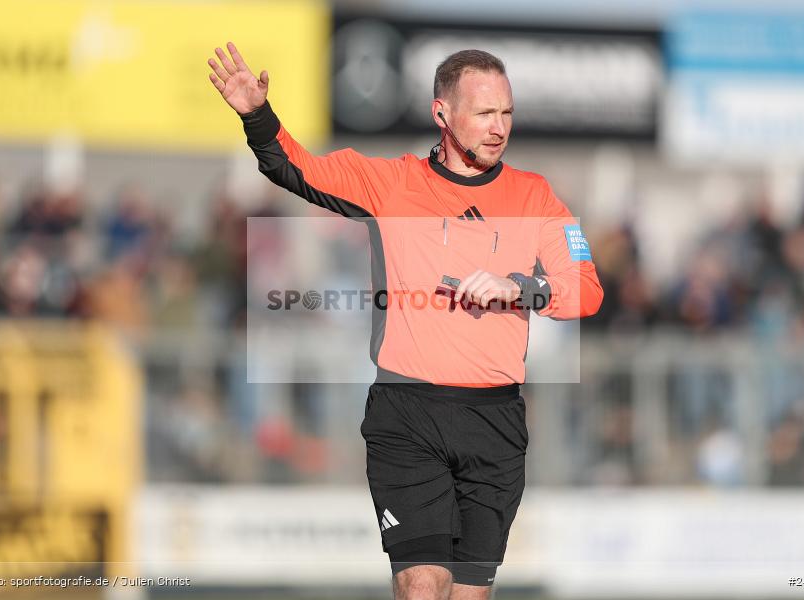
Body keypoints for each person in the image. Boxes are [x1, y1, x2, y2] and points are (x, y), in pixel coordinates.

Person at [208, 42, 603, 600]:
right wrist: (256, 114)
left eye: (507, 113)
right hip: (407, 415)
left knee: (469, 594)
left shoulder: (535, 195)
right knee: (422, 586)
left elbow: (586, 291)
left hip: (496, 421)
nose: (499, 128)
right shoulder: (390, 184)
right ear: (442, 113)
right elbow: (293, 167)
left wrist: (521, 287)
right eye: (484, 113)